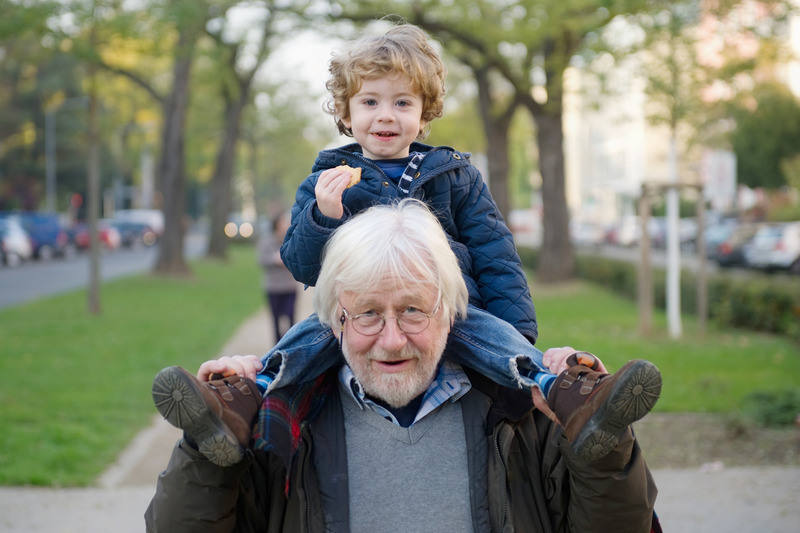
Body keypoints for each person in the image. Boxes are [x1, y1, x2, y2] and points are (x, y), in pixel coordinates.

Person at [146, 200, 661, 532]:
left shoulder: (526, 415)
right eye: (368, 314)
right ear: (335, 320)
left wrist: (602, 451)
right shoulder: (278, 424)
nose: (392, 341)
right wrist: (208, 450)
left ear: (452, 310)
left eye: (413, 310)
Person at [249, 23, 558, 399]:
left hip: (445, 314)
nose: (386, 115)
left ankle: (553, 386)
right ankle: (254, 390)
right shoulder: (326, 183)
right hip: (359, 316)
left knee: (486, 334)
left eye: (402, 103)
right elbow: (303, 267)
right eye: (370, 102)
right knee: (311, 334)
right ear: (346, 114)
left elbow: (496, 257)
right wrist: (325, 216)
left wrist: (514, 335)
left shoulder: (457, 178)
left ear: (424, 116)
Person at [257, 212, 298, 342]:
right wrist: (274, 259)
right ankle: (277, 346)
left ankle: (291, 344)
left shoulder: (292, 239)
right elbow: (261, 260)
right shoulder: (266, 240)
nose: (286, 224)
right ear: (276, 224)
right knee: (275, 319)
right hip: (273, 287)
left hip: (289, 286)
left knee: (291, 317)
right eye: (283, 221)